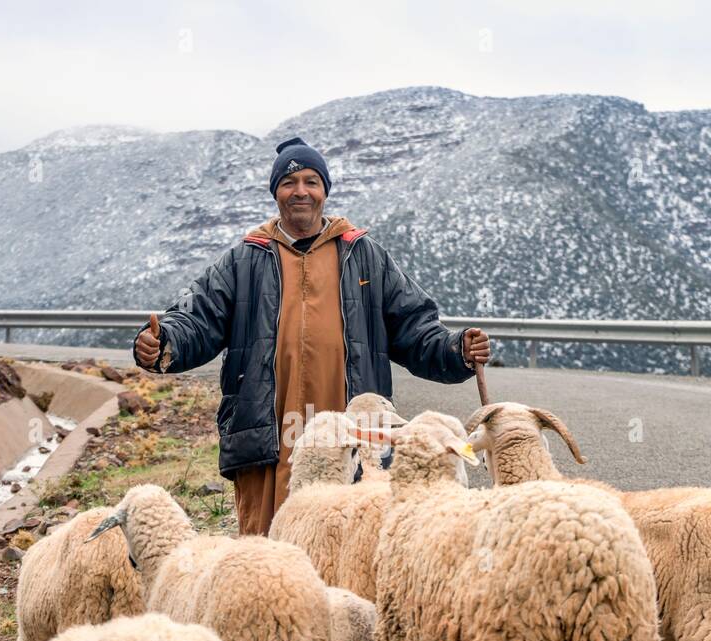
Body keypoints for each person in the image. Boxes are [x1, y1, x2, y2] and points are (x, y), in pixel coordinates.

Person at [134, 136, 490, 534]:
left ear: (324, 191)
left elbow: (414, 327)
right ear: (276, 194)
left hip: (351, 433)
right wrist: (164, 343)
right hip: (270, 434)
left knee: (347, 540)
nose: (300, 191)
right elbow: (198, 318)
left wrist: (455, 349)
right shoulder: (244, 260)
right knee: (269, 552)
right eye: (289, 183)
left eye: (310, 181)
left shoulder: (363, 255)